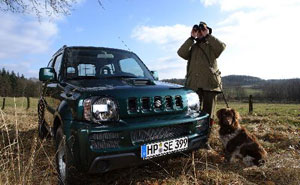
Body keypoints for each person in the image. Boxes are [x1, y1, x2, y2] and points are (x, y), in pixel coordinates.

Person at [177, 22, 226, 147]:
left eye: (202, 31)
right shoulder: (192, 48)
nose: (200, 33)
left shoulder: (212, 46)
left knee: (208, 114)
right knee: (192, 113)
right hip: (194, 85)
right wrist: (191, 38)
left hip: (210, 84)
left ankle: (205, 140)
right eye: (198, 31)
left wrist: (207, 35)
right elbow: (181, 53)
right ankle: (192, 138)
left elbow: (221, 47)